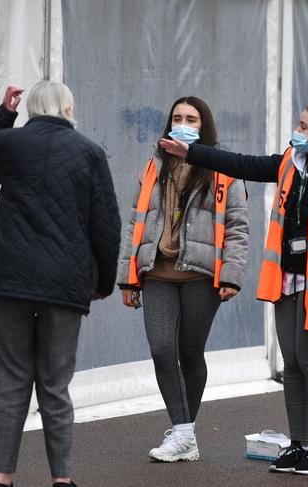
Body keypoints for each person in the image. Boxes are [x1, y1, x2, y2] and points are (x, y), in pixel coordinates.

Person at [160, 102, 308, 475]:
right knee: (292, 366)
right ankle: (299, 445)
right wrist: (192, 151)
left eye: (303, 125)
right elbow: (242, 164)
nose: (296, 130)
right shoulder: (290, 163)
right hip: (286, 281)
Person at [0, 81, 121, 487]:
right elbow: (106, 226)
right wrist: (102, 281)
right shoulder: (90, 152)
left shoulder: (11, 143)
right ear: (68, 108)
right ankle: (62, 480)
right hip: (64, 282)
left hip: (7, 277)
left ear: (30, 109)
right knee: (55, 385)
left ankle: (1, 477)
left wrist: (2, 116)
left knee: (10, 380)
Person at [116, 96, 249, 462]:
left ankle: (183, 432)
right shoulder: (153, 166)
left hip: (201, 276)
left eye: (191, 118)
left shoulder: (223, 170)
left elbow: (238, 227)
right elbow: (135, 223)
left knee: (190, 351)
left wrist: (232, 276)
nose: (183, 122)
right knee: (161, 349)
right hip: (156, 272)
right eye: (177, 117)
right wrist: (128, 278)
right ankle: (183, 431)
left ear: (203, 126)